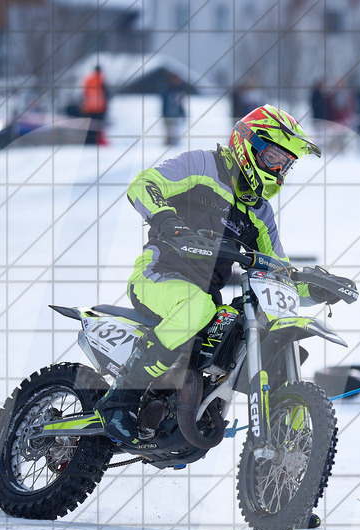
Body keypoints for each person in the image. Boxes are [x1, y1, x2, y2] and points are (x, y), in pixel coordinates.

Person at [94, 105, 333, 445]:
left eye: (285, 164)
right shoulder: (204, 165)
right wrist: (166, 219)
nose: (278, 169)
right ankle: (124, 394)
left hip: (206, 297)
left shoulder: (260, 213)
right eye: (274, 156)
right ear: (247, 142)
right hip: (158, 273)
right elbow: (144, 184)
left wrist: (318, 286)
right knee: (198, 308)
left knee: (234, 325)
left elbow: (279, 270)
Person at [80, 65, 109, 145]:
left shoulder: (88, 79)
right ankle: (97, 142)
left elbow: (84, 93)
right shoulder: (101, 79)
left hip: (89, 108)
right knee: (98, 127)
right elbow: (106, 94)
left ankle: (89, 142)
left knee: (90, 127)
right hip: (100, 108)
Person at [160, 73, 187, 146]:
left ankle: (174, 144)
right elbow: (165, 103)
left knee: (175, 132)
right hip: (168, 114)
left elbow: (181, 104)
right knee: (169, 132)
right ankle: (168, 144)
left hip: (176, 115)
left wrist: (183, 114)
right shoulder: (167, 90)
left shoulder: (180, 90)